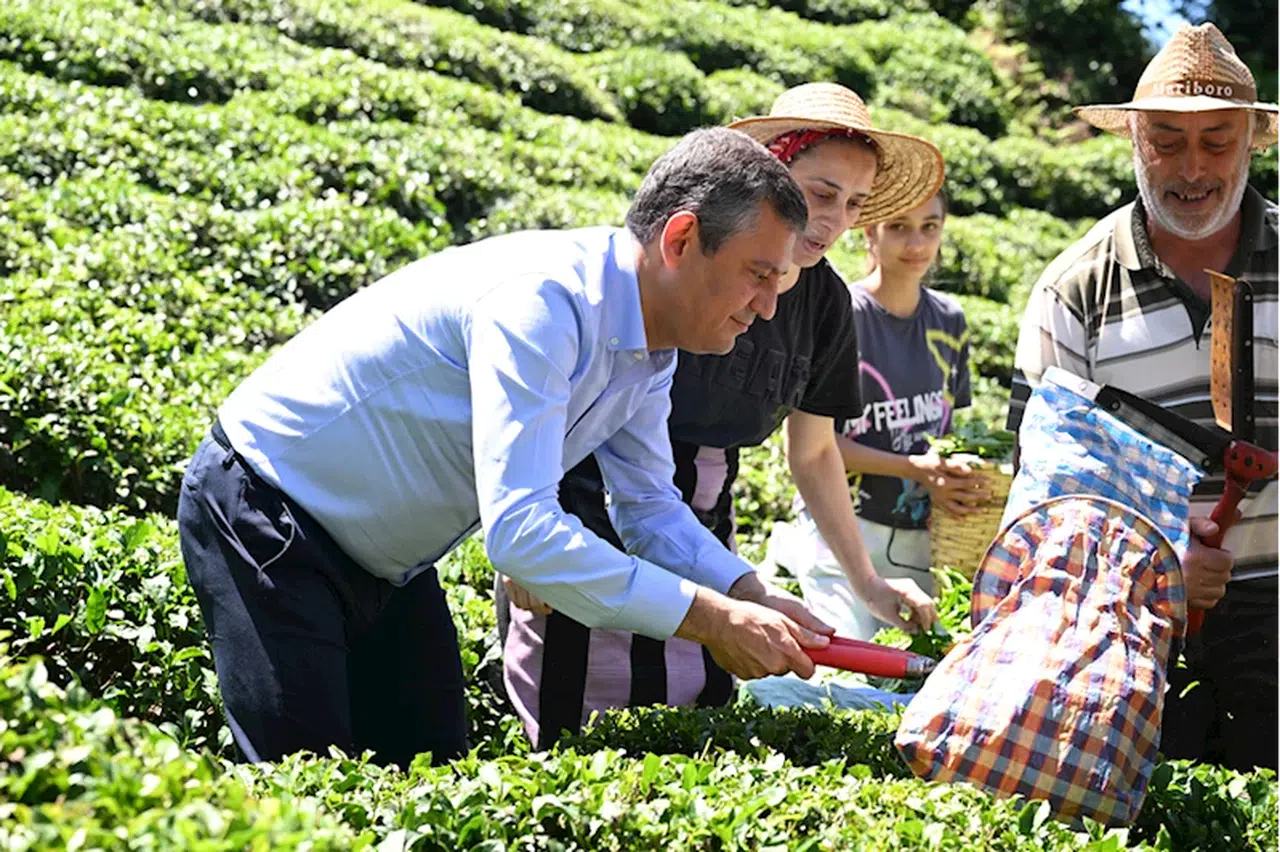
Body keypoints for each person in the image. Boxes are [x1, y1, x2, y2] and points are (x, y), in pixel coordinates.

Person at [177, 127, 845, 769]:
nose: (766, 307)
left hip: (389, 563)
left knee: (430, 773)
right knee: (305, 783)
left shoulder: (653, 349)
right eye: (758, 274)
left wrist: (746, 591)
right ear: (681, 239)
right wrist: (711, 619)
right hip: (268, 512)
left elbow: (647, 508)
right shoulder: (543, 304)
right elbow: (521, 535)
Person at [500, 83, 945, 748]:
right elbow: (569, 402)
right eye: (821, 194)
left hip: (700, 515)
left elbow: (816, 450)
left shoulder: (825, 303)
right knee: (576, 721)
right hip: (587, 495)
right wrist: (531, 545)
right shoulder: (687, 270)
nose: (835, 221)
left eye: (854, 205)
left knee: (696, 711)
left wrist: (867, 583)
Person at [1006, 23, 1279, 772]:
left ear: (1255, 139)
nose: (1191, 169)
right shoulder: (1075, 288)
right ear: (1132, 138)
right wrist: (1155, 558)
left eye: (1217, 142)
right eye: (1166, 141)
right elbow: (1042, 493)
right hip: (1130, 630)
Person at [782, 189, 990, 640]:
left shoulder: (949, 321)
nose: (916, 245)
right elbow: (816, 446)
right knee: (844, 667)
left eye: (929, 228)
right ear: (869, 232)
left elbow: (948, 429)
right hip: (844, 526)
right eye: (899, 227)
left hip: (919, 536)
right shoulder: (843, 315)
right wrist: (912, 468)